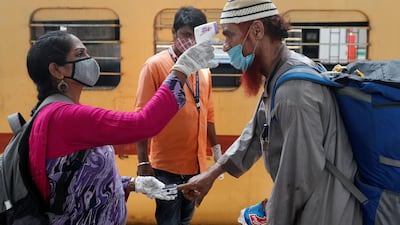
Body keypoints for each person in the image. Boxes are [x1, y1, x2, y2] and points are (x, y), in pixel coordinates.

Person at [178, 0, 362, 225]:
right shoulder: (280, 76)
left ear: (256, 30)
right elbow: (255, 133)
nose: (225, 46)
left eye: (229, 36)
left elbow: (296, 179)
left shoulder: (294, 92)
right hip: (315, 205)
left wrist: (274, 217)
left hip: (326, 211)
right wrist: (213, 173)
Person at [26, 30, 216, 224]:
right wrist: (181, 70)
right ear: (57, 70)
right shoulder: (66, 117)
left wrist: (132, 184)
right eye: (80, 54)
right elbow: (143, 124)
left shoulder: (56, 112)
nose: (89, 59)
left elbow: (77, 178)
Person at [134, 6, 221, 225]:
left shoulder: (204, 71)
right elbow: (141, 117)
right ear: (173, 34)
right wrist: (143, 161)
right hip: (166, 168)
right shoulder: (155, 66)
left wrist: (217, 153)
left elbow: (208, 114)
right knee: (168, 221)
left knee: (185, 219)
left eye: (195, 35)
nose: (190, 41)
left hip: (195, 166)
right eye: (185, 35)